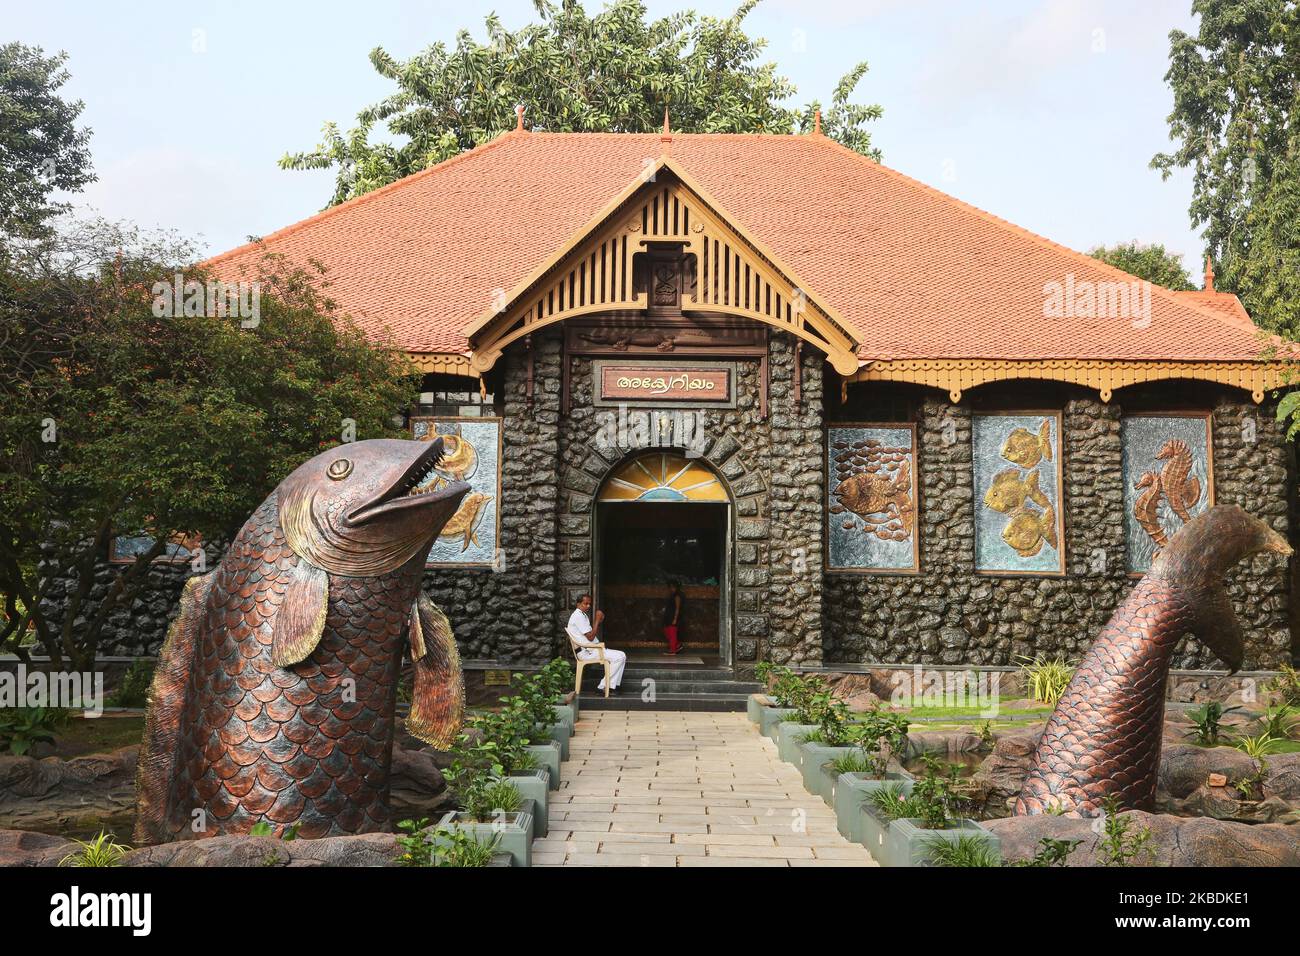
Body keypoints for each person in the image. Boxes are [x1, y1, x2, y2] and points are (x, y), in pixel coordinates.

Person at [566, 594, 626, 694]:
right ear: (578, 604)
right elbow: (590, 637)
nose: (588, 606)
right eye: (586, 604)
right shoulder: (577, 616)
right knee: (618, 657)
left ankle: (612, 685)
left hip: (592, 649)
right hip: (586, 652)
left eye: (589, 604)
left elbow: (589, 635)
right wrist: (597, 620)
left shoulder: (582, 615)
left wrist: (598, 621)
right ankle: (603, 687)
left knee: (622, 655)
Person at [662, 581, 684, 655]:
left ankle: (673, 650)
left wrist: (675, 619)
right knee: (666, 631)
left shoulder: (677, 596)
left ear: (676, 587)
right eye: (670, 587)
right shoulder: (672, 595)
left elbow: (677, 608)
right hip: (668, 617)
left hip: (673, 617)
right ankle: (677, 645)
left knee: (672, 633)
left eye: (673, 587)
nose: (672, 589)